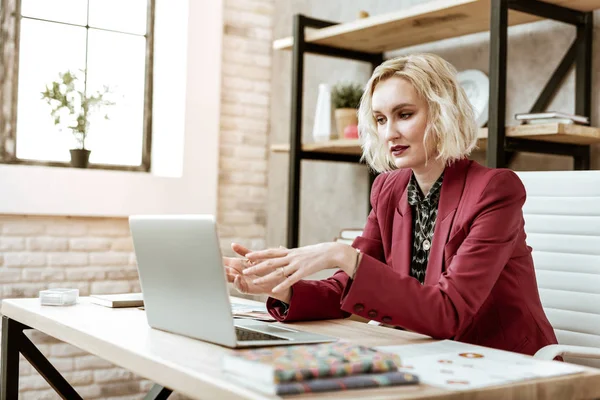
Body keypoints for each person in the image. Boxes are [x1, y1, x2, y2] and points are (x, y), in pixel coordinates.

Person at [224, 53, 558, 356]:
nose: (389, 133)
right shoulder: (388, 188)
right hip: (431, 355)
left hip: (506, 362)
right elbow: (347, 286)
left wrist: (340, 253)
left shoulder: (495, 191)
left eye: (404, 115)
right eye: (381, 119)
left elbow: (449, 312)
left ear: (443, 113)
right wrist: (284, 289)